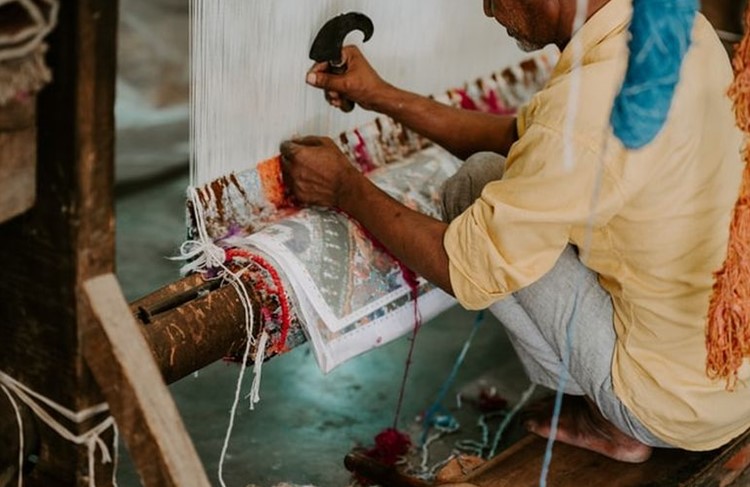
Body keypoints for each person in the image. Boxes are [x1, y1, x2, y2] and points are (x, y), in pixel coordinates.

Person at [280, 0, 750, 463]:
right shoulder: (677, 29)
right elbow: (522, 140)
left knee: (476, 184)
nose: (487, 11)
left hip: (671, 406)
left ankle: (617, 420)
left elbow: (464, 265)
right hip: (732, 382)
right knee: (508, 177)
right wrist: (381, 94)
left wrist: (344, 187)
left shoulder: (585, 107)